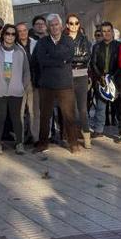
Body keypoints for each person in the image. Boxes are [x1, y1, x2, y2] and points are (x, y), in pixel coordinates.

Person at [31, 14, 81, 153]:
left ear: (61, 25)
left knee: (69, 116)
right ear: (48, 27)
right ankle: (43, 144)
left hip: (65, 84)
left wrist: (51, 57)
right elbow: (41, 60)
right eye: (51, 25)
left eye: (56, 24)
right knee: (44, 116)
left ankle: (73, 143)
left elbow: (69, 56)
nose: (54, 27)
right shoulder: (42, 42)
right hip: (46, 84)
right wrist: (60, 60)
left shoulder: (68, 40)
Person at [0, 23, 30, 154]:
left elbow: (26, 71)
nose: (10, 36)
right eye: (7, 33)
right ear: (3, 35)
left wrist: (23, 86)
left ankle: (19, 143)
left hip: (16, 91)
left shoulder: (20, 51)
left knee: (16, 118)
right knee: (0, 117)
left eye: (13, 34)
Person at [63, 14, 93, 148]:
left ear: (79, 25)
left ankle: (87, 137)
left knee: (82, 109)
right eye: (71, 23)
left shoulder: (84, 39)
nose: (74, 26)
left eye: (76, 23)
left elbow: (86, 58)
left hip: (81, 76)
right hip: (67, 76)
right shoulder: (63, 39)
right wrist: (74, 58)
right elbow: (61, 57)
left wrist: (70, 59)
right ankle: (72, 137)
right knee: (70, 109)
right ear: (67, 25)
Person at [89, 22, 119, 137]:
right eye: (104, 31)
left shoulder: (119, 46)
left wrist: (113, 76)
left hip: (115, 78)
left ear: (112, 32)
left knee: (118, 106)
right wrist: (100, 76)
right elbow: (93, 63)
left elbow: (120, 63)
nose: (106, 33)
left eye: (108, 31)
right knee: (101, 107)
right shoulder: (96, 47)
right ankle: (99, 130)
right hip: (101, 79)